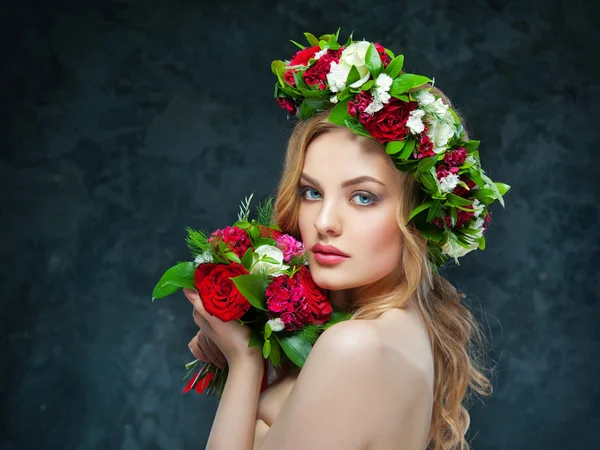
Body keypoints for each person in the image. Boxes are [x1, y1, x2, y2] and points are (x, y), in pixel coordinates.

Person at [184, 31, 508, 450]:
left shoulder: (356, 346)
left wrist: (244, 364)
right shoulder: (394, 331)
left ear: (417, 218)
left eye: (363, 197)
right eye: (311, 192)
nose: (324, 221)